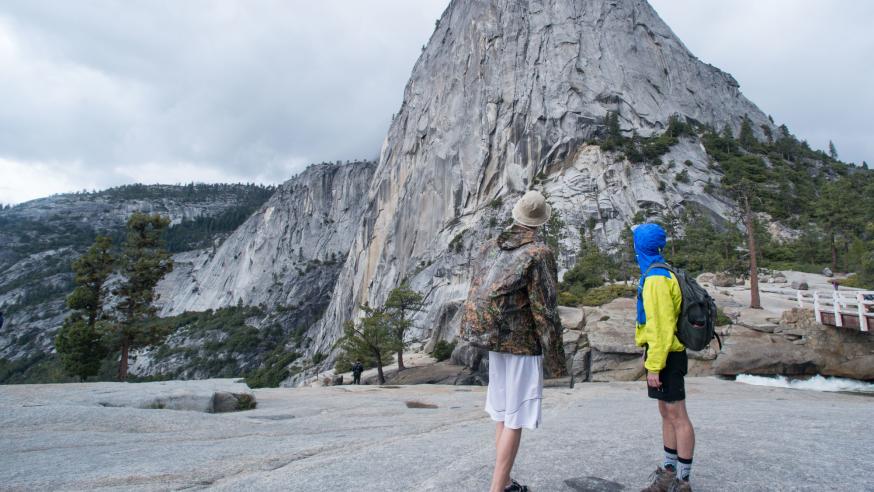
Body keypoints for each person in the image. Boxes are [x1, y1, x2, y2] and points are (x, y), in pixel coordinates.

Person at [461, 190, 567, 492]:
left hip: (493, 339)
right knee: (515, 417)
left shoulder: (490, 246)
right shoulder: (539, 253)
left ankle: (505, 482)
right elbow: (545, 310)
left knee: (503, 413)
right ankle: (497, 488)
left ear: (516, 214)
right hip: (521, 345)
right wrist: (557, 362)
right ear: (541, 222)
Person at [633, 223, 695, 492]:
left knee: (677, 415)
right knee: (666, 413)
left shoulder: (656, 279)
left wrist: (654, 366)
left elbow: (661, 327)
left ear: (641, 246)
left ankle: (683, 481)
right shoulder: (659, 271)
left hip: (667, 355)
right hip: (665, 353)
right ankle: (669, 472)